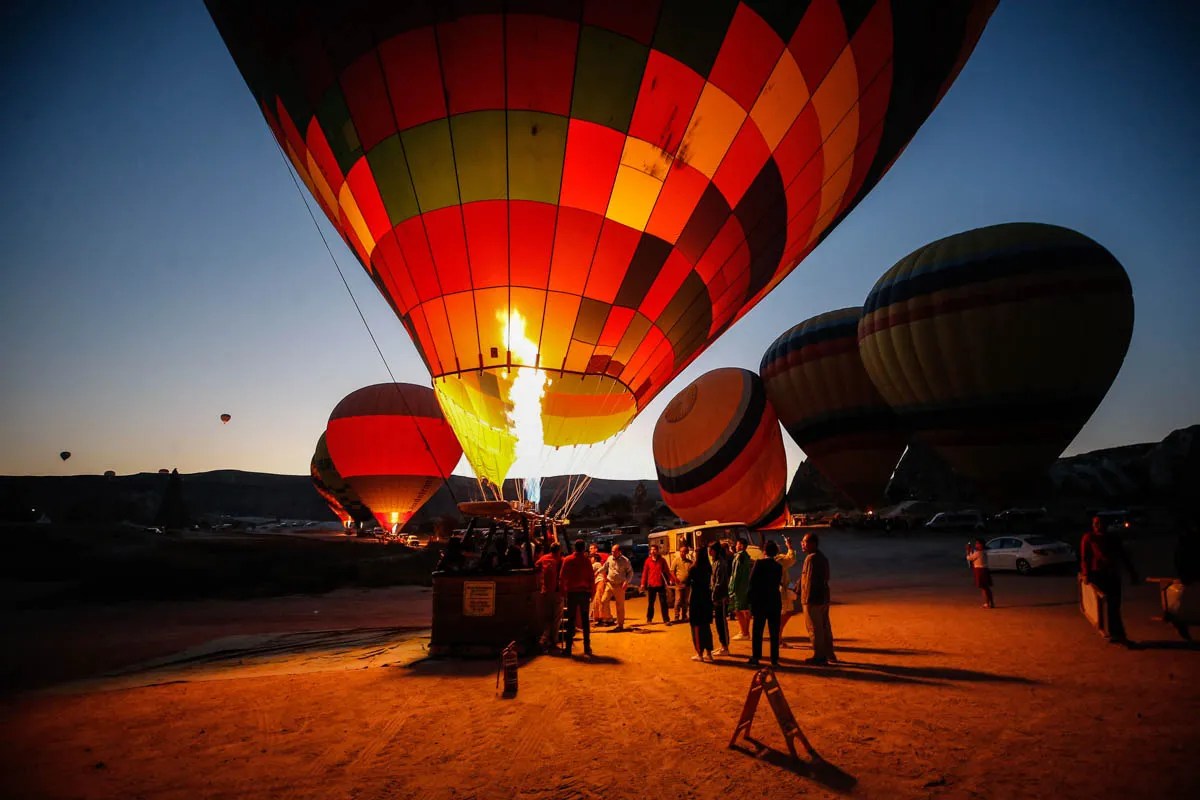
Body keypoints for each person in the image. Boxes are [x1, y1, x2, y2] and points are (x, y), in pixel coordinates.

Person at [1079, 515, 1139, 646]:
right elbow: (1085, 557)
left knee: (1114, 605)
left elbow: (1123, 555)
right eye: (1095, 523)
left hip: (1112, 573)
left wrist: (1132, 572)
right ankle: (1111, 632)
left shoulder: (1113, 538)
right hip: (1098, 574)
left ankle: (1117, 634)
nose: (1098, 525)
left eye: (1100, 523)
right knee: (1102, 605)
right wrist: (1085, 574)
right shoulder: (1089, 538)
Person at [799, 532, 836, 665]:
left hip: (813, 599)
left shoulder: (811, 559)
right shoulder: (822, 557)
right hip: (824, 598)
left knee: (815, 628)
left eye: (805, 542)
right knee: (825, 626)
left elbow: (808, 581)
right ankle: (829, 653)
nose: (802, 544)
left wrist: (805, 599)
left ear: (812, 544)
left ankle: (819, 656)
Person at [747, 540, 784, 667]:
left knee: (758, 631)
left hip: (760, 602)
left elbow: (751, 583)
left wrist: (750, 602)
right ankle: (774, 659)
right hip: (774, 601)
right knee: (774, 632)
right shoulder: (778, 567)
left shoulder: (759, 564)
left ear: (764, 552)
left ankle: (756, 657)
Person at [559, 540, 595, 656]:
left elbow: (562, 577)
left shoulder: (568, 560)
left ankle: (568, 649)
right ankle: (587, 648)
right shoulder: (587, 561)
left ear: (575, 548)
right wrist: (592, 593)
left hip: (572, 593)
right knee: (585, 621)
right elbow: (591, 578)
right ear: (584, 548)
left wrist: (563, 592)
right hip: (584, 594)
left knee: (571, 621)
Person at [685, 547, 714, 661]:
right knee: (706, 626)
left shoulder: (693, 568)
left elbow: (687, 583)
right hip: (706, 599)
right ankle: (709, 653)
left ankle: (700, 653)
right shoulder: (708, 567)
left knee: (696, 626)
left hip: (696, 599)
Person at [534, 543, 564, 650]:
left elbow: (536, 567)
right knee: (556, 618)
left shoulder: (544, 558)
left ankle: (544, 638)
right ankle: (552, 640)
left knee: (547, 617)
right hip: (557, 592)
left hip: (545, 592)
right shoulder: (561, 560)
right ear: (559, 550)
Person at [602, 544, 634, 631]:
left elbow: (630, 573)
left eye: (614, 551)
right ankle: (609, 618)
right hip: (610, 584)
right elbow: (604, 567)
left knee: (620, 605)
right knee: (603, 601)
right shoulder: (609, 558)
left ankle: (620, 625)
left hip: (620, 585)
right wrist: (597, 572)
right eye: (612, 551)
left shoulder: (625, 561)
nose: (612, 553)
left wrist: (626, 582)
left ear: (619, 552)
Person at [640, 544, 674, 624]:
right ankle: (649, 619)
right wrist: (642, 584)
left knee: (663, 603)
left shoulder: (662, 560)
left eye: (654, 549)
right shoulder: (648, 561)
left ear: (657, 551)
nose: (653, 551)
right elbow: (645, 573)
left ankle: (666, 620)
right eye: (651, 550)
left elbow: (667, 571)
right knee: (651, 603)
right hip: (651, 585)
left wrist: (671, 579)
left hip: (661, 584)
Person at [775, 536, 800, 644]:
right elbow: (791, 559)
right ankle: (778, 637)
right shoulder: (779, 560)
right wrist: (789, 546)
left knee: (783, 613)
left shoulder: (766, 560)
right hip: (781, 591)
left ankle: (778, 636)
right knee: (786, 612)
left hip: (774, 590)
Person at [710, 542, 731, 655]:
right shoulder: (715, 562)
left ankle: (725, 647)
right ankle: (723, 645)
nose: (709, 552)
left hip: (721, 597)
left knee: (722, 622)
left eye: (711, 550)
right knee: (718, 622)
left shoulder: (721, 563)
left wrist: (713, 594)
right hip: (716, 597)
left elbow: (719, 582)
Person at [729, 538, 753, 640]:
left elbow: (735, 574)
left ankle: (744, 632)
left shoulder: (739, 557)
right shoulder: (747, 556)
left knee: (738, 609)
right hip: (746, 586)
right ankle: (745, 630)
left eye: (737, 544)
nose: (736, 546)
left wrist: (732, 588)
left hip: (739, 587)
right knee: (746, 610)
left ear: (741, 545)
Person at [669, 543, 694, 622]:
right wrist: (675, 579)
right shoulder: (676, 560)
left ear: (686, 552)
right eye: (681, 551)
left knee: (686, 601)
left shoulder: (689, 562)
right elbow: (672, 571)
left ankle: (684, 616)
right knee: (678, 600)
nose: (682, 553)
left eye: (684, 552)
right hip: (679, 584)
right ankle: (676, 616)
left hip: (687, 584)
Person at [966, 538, 994, 608]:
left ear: (981, 545)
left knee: (984, 588)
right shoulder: (983, 551)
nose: (976, 545)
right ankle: (990, 603)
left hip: (980, 570)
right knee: (986, 588)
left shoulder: (978, 553)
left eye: (977, 543)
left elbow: (969, 558)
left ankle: (987, 603)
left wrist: (968, 551)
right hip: (984, 570)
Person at [591, 549, 613, 626]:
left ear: (595, 559)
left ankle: (602, 618)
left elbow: (590, 571)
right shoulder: (599, 564)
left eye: (592, 558)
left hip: (599, 583)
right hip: (598, 583)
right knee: (597, 600)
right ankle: (600, 617)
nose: (591, 559)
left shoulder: (596, 564)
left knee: (598, 600)